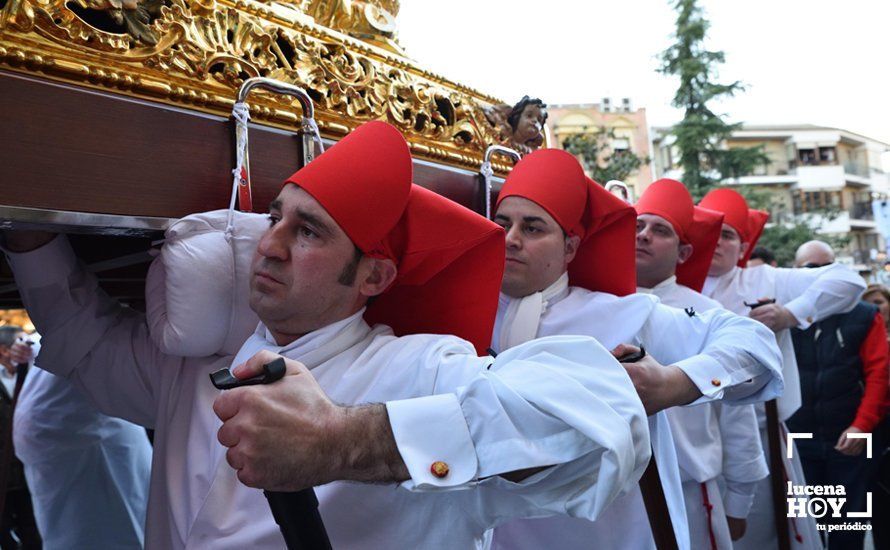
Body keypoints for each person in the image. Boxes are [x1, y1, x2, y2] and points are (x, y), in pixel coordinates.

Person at [2, 121, 650, 549]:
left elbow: (603, 418)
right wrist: (28, 200)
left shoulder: (419, 367)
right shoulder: (191, 368)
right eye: (273, 218)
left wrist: (343, 441)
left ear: (373, 275)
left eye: (309, 231)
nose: (271, 245)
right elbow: (82, 336)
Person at [485, 150, 784, 550]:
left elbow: (754, 343)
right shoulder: (449, 314)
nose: (511, 240)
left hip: (608, 533)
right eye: (502, 224)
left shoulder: (624, 315)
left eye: (533, 228)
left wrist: (674, 384)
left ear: (571, 247)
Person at [699, 188, 867, 550]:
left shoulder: (765, 281)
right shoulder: (677, 284)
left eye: (728, 235)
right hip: (691, 440)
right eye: (710, 233)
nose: (717, 242)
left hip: (759, 438)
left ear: (743, 248)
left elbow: (850, 282)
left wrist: (789, 313)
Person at [635, 179, 769, 549]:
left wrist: (739, 500)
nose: (643, 236)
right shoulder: (598, 303)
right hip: (619, 499)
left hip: (691, 488)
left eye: (659, 230)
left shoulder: (709, 314)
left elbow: (736, 415)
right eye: (637, 226)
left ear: (684, 253)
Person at [786, 240, 888, 549]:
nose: (818, 275)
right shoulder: (784, 316)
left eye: (827, 267)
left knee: (848, 526)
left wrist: (862, 426)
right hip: (798, 440)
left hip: (852, 438)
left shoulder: (865, 315)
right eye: (810, 268)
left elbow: (880, 376)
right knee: (807, 527)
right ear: (795, 272)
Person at [9, 335, 152, 550]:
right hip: (59, 458)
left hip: (103, 444)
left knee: (117, 525)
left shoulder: (112, 326)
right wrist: (26, 348)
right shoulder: (57, 327)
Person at [0, 326, 40, 550]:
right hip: (4, 473)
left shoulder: (35, 376)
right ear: (4, 351)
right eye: (19, 343)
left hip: (28, 469)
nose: (24, 347)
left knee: (32, 529)